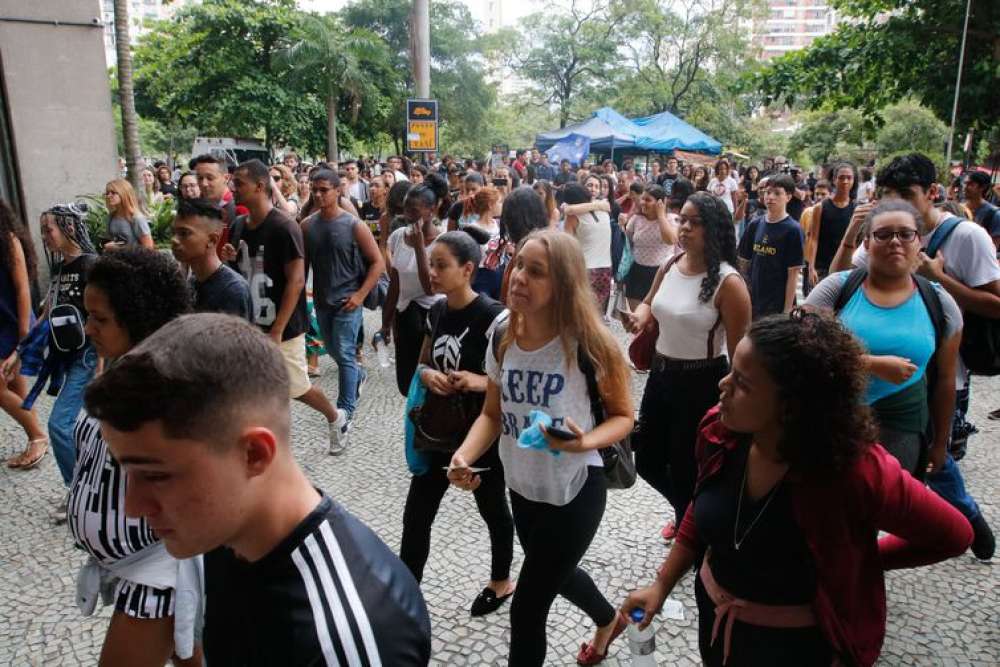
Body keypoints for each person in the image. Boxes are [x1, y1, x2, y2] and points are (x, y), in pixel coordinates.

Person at [622, 309, 973, 667]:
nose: (722, 386)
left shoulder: (855, 471)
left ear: (792, 406)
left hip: (802, 648)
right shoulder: (721, 431)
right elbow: (705, 503)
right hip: (716, 627)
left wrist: (866, 562)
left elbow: (954, 534)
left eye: (742, 383)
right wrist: (661, 585)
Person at [83, 313, 433, 665]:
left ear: (253, 455)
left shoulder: (346, 642)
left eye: (156, 476)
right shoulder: (223, 534)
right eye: (126, 471)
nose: (132, 506)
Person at [448, 229, 635, 666]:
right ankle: (609, 619)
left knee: (528, 605)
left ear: (563, 285)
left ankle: (605, 622)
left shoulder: (589, 344)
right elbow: (492, 415)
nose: (518, 279)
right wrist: (463, 456)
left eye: (536, 272)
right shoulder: (502, 334)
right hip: (523, 488)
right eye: (517, 266)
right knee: (558, 573)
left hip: (574, 491)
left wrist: (583, 441)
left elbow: (625, 417)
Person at [828, 153, 998, 560]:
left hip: (943, 371)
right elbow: (838, 282)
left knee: (931, 460)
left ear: (931, 194)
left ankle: (965, 516)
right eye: (887, 194)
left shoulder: (966, 237)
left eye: (905, 194)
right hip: (865, 394)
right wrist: (853, 235)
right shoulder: (881, 235)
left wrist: (938, 281)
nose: (894, 204)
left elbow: (995, 303)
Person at [68, 247, 201, 667]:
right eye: (87, 315)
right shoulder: (118, 368)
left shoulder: (163, 387)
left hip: (158, 572)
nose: (88, 328)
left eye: (100, 319)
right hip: (132, 564)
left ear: (138, 318)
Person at [399, 230, 516, 616]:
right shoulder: (436, 309)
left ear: (467, 269)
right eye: (431, 263)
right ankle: (405, 592)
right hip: (438, 426)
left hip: (480, 428)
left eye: (441, 265)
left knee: (492, 507)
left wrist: (476, 380)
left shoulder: (495, 317)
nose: (432, 272)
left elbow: (509, 380)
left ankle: (501, 581)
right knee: (418, 512)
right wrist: (427, 374)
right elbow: (425, 359)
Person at [806, 200, 962, 480]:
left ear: (919, 242)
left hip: (903, 427)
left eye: (905, 234)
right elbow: (794, 348)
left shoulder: (940, 302)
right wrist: (869, 363)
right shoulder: (836, 288)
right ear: (866, 241)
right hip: (833, 422)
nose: (895, 241)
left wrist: (940, 444)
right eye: (883, 234)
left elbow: (946, 380)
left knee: (892, 511)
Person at [627, 192, 751, 541]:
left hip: (701, 382)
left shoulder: (729, 283)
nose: (683, 228)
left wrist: (735, 403)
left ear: (714, 229)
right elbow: (649, 304)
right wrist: (637, 318)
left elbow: (740, 351)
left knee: (685, 468)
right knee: (648, 461)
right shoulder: (671, 265)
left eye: (693, 222)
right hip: (661, 374)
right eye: (681, 219)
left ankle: (691, 532)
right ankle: (690, 517)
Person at [225, 159, 346, 452]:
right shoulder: (239, 224)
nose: (234, 188)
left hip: (284, 325)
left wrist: (278, 329)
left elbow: (295, 281)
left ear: (260, 186)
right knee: (251, 386)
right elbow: (239, 270)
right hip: (250, 322)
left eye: (239, 183)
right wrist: (229, 257)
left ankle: (335, 417)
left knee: (296, 387)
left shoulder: (284, 226)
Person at [2, 205, 99, 496]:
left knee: (59, 423)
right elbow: (46, 314)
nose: (43, 236)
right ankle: (87, 485)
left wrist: (104, 363)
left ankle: (76, 491)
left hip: (88, 356)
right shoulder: (59, 268)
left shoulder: (90, 265)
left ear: (69, 229)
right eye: (42, 230)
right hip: (66, 356)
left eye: (49, 230)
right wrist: (20, 352)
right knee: (86, 424)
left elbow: (104, 312)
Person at [301, 169, 385, 453]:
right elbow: (303, 267)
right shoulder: (307, 226)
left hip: (349, 302)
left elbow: (377, 263)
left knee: (346, 354)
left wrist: (360, 296)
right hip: (324, 302)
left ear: (338, 190)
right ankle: (357, 378)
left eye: (324, 189)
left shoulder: (354, 225)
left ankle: (343, 416)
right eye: (315, 189)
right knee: (335, 352)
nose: (319, 194)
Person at [381, 174, 450, 396]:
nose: (408, 215)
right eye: (406, 209)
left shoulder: (445, 242)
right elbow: (396, 282)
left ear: (431, 211)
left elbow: (431, 288)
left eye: (415, 210)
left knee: (428, 381)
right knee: (405, 384)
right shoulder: (399, 236)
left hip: (434, 318)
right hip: (405, 316)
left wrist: (420, 249)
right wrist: (386, 323)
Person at [0, 200, 46, 469]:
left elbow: (22, 289)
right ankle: (34, 436)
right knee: (14, 385)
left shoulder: (8, 240)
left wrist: (23, 339)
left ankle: (39, 436)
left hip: (15, 322)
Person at [171, 198, 251, 320]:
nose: (174, 240)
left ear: (212, 240)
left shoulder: (232, 290)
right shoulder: (191, 283)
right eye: (173, 232)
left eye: (184, 233)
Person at [738, 174, 804, 319]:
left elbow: (793, 274)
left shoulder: (793, 230)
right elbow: (744, 262)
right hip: (754, 299)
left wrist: (787, 311)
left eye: (777, 193)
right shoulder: (755, 224)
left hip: (777, 304)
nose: (770, 197)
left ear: (788, 196)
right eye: (767, 192)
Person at [622, 184, 678, 310]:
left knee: (656, 318)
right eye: (642, 199)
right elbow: (628, 241)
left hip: (661, 273)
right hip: (637, 271)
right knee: (636, 317)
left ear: (660, 202)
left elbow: (671, 240)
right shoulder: (636, 219)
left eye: (648, 200)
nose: (643, 203)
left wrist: (661, 216)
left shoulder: (672, 219)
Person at [804, 161, 857, 291]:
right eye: (841, 177)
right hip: (822, 266)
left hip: (846, 266)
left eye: (849, 178)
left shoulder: (856, 208)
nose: (845, 181)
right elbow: (813, 238)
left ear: (853, 181)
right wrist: (811, 267)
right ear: (834, 180)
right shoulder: (820, 207)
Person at [561, 181, 613, 312]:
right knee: (598, 313)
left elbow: (568, 247)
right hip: (606, 268)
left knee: (581, 314)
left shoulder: (572, 217)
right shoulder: (604, 211)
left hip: (584, 270)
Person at [104, 179, 154, 250]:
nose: (109, 196)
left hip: (133, 259)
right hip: (114, 259)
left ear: (124, 193)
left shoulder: (136, 218)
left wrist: (119, 248)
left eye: (113, 193)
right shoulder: (111, 216)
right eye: (107, 193)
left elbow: (149, 248)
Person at [964, 171, 1000, 251]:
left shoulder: (994, 215)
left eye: (971, 184)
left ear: (982, 187)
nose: (966, 187)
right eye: (966, 184)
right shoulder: (960, 208)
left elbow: (992, 249)